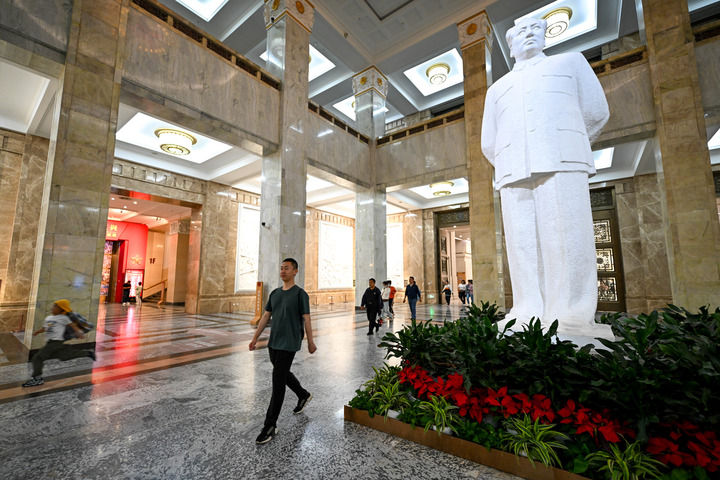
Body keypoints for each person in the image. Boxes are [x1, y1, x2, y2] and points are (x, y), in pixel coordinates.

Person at [481, 17, 610, 332]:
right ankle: (527, 308)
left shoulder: (570, 62)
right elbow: (489, 141)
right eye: (521, 32)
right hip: (513, 168)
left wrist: (561, 142)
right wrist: (512, 155)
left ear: (545, 36)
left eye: (535, 29)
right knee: (521, 244)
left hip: (561, 159)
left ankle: (571, 311)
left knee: (567, 236)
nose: (528, 34)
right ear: (510, 47)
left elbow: (595, 112)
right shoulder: (496, 89)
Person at [249, 258, 317, 445]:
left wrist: (311, 341)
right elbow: (265, 316)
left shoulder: (300, 294)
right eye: (281, 268)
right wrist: (255, 338)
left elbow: (307, 319)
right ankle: (302, 394)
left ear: (295, 271)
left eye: (286, 268)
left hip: (290, 342)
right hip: (274, 342)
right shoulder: (275, 293)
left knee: (278, 381)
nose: (283, 271)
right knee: (283, 373)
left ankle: (270, 425)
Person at [22, 299, 96, 387]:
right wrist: (38, 332)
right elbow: (45, 328)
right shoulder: (49, 318)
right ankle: (88, 353)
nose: (52, 308)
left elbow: (73, 325)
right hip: (50, 342)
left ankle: (37, 379)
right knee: (64, 356)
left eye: (55, 306)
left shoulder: (64, 318)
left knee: (38, 358)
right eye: (53, 306)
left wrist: (79, 332)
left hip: (56, 342)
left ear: (61, 309)